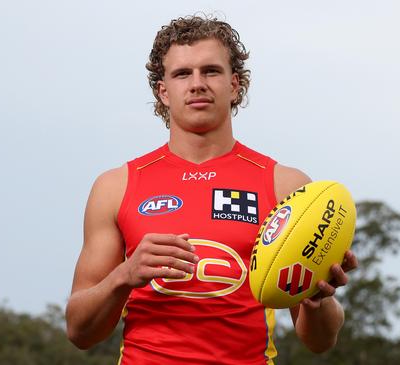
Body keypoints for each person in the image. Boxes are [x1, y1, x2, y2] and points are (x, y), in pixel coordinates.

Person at [65, 15, 358, 365]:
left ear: (235, 85)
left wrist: (317, 301)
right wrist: (123, 277)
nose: (197, 83)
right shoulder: (116, 186)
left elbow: (320, 341)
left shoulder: (286, 186)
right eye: (182, 74)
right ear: (163, 91)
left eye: (211, 71)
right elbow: (79, 332)